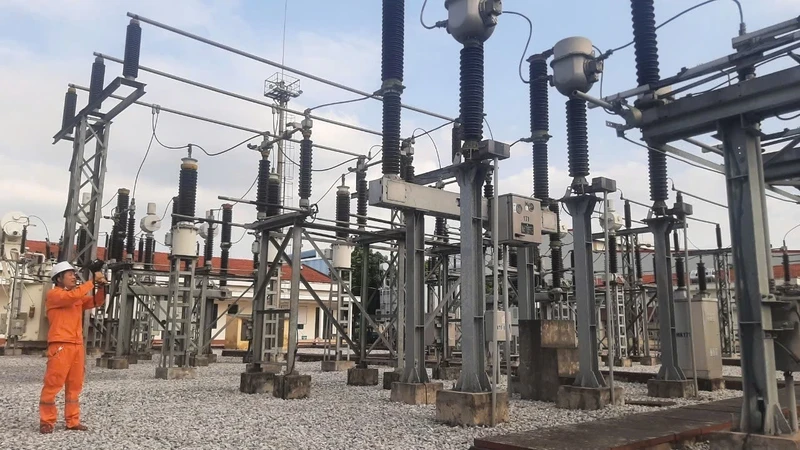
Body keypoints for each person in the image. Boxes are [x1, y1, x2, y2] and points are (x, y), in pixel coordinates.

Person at [39, 261, 107, 434]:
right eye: (69, 274)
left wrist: (102, 286)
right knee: (53, 384)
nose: (73, 276)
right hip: (60, 345)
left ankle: (73, 420)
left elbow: (96, 302)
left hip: (76, 345)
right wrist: (93, 281)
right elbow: (73, 296)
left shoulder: (75, 297)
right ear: (58, 278)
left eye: (73, 273)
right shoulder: (55, 295)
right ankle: (47, 420)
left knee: (75, 385)